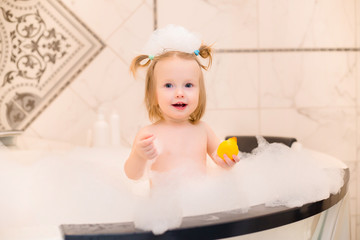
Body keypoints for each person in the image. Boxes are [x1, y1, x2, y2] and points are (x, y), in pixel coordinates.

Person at [124, 25, 240, 181]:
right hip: (162, 205)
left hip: (199, 203)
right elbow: (133, 175)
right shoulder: (148, 135)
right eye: (169, 85)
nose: (180, 93)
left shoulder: (203, 130)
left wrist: (226, 162)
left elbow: (220, 160)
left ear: (200, 92)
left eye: (188, 85)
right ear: (153, 94)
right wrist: (139, 155)